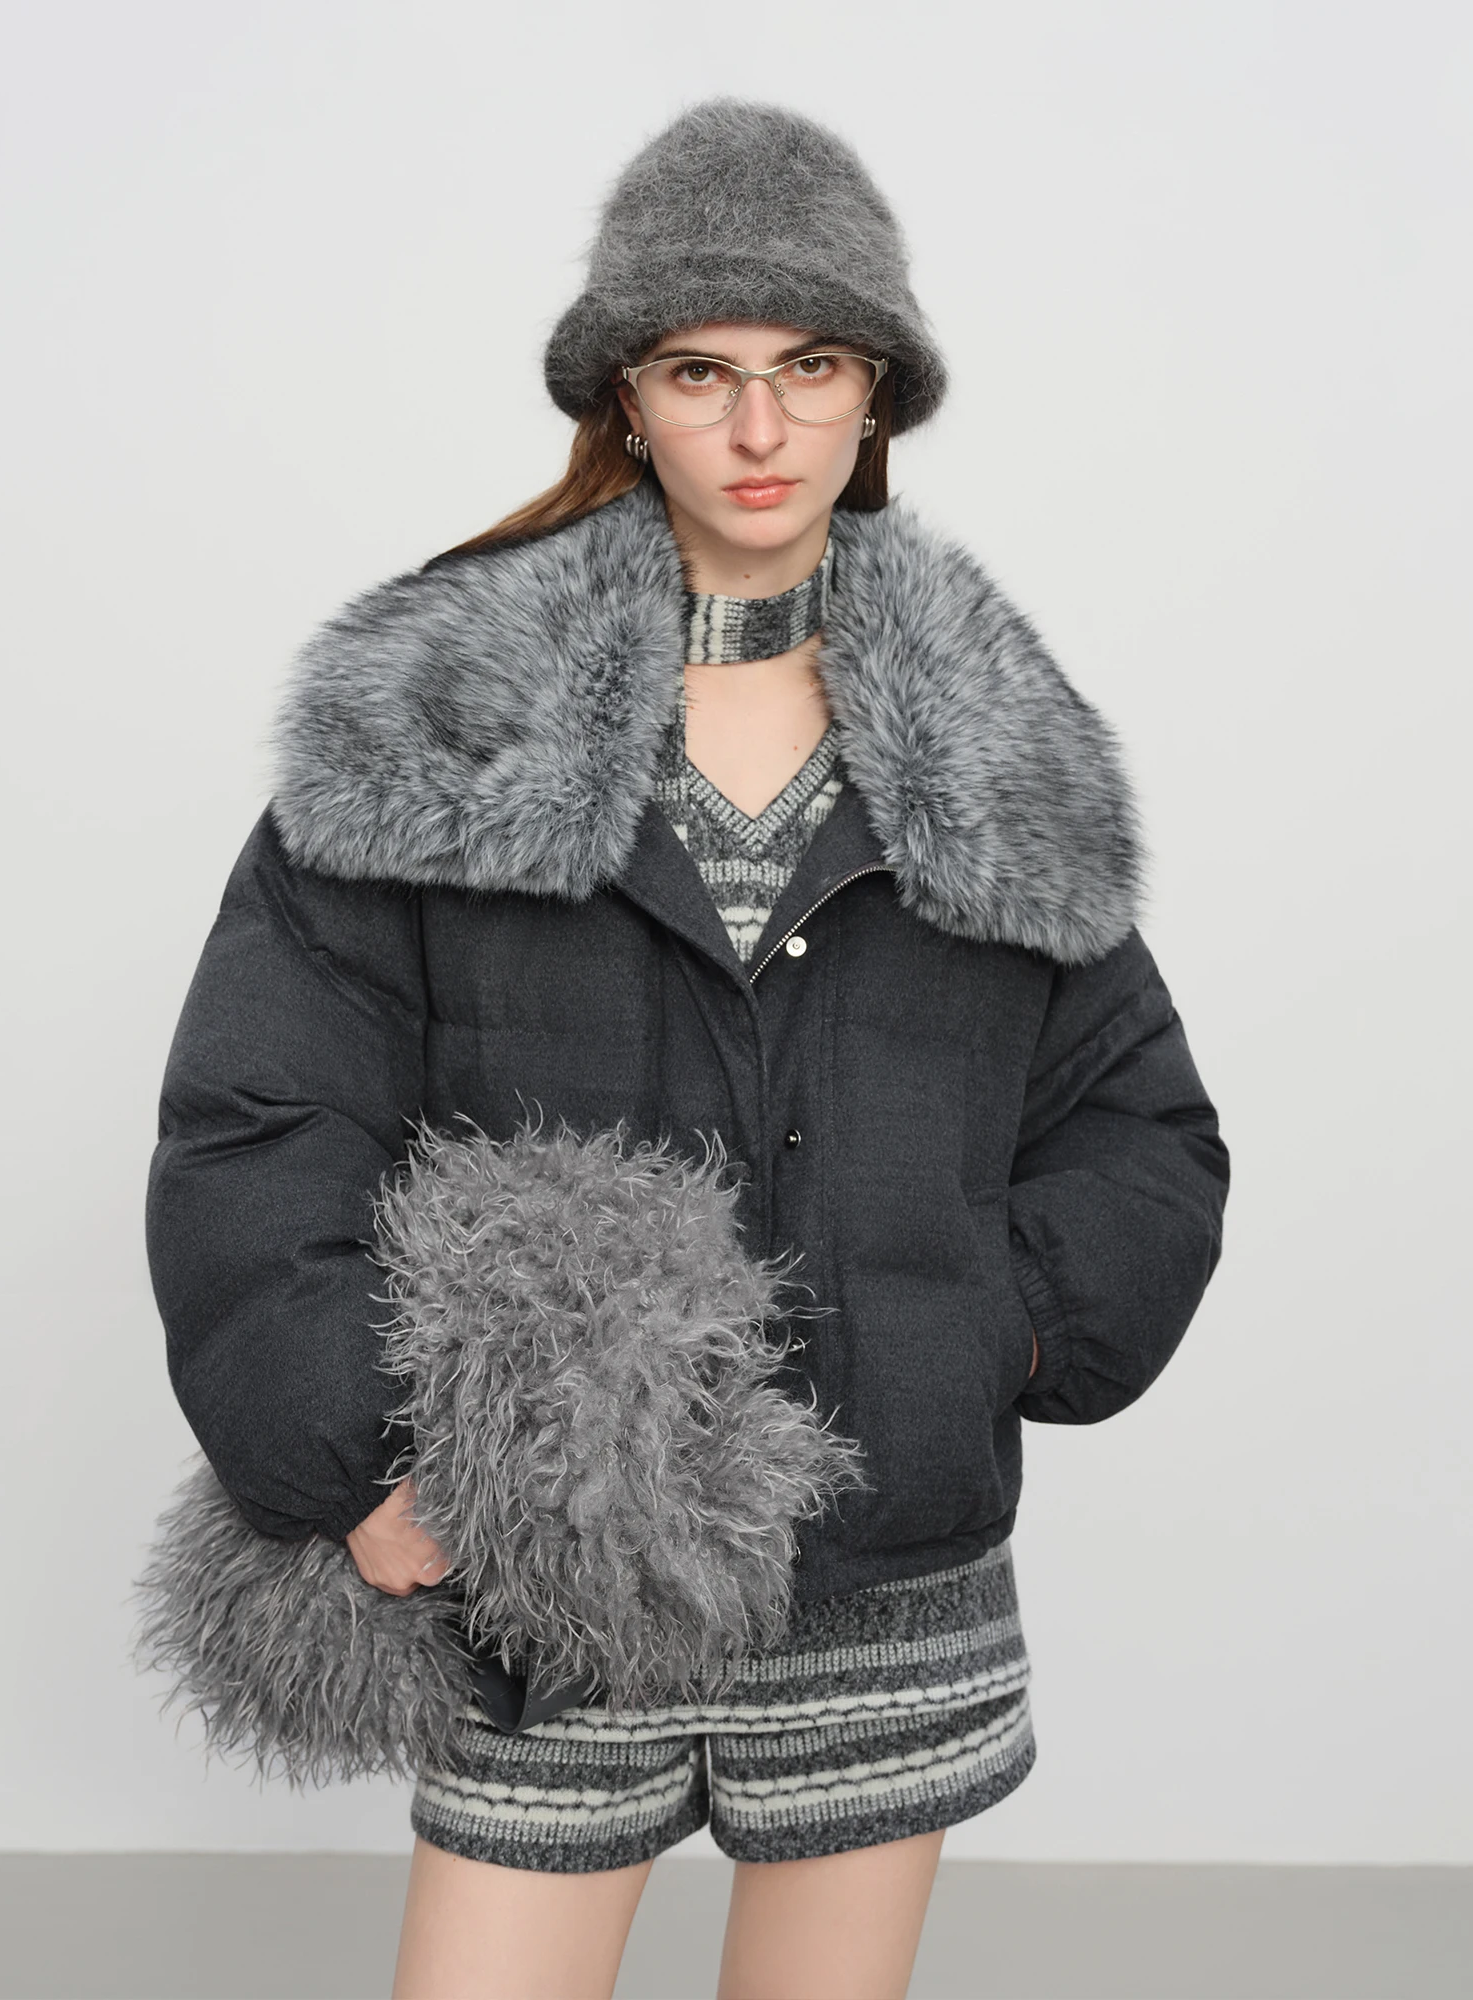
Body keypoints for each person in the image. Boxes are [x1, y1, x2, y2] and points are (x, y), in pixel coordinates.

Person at [147, 99, 1229, 2000]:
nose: (759, 426)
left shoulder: (992, 745)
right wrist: (357, 1461)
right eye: (700, 370)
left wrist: (986, 1330)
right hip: (540, 1566)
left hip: (885, 1572)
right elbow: (260, 1117)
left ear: (876, 396)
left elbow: (1140, 1126)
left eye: (811, 367)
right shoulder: (444, 719)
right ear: (625, 401)